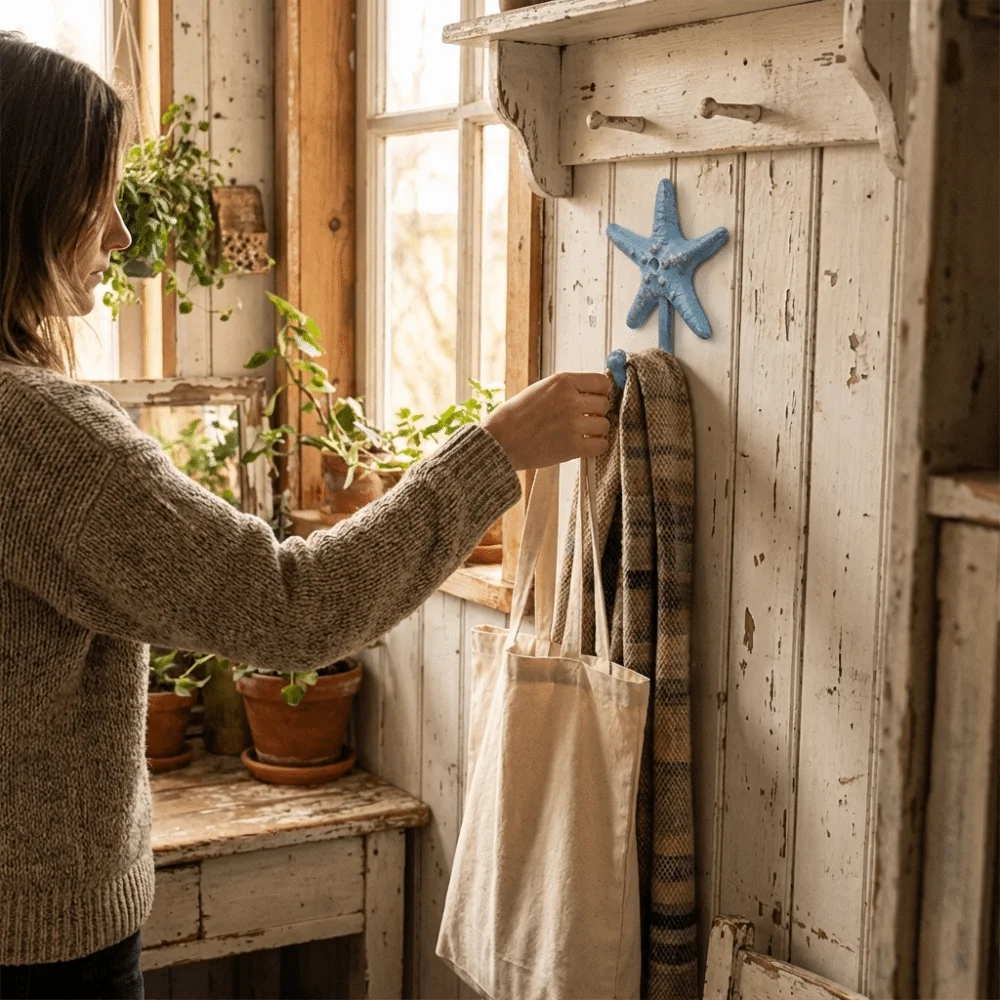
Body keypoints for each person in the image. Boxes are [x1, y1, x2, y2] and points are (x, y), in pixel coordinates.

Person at [0, 31, 611, 1000]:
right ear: (22, 203)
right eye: (95, 196)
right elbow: (289, 610)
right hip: (34, 951)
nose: (118, 235)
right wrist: (491, 452)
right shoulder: (34, 436)